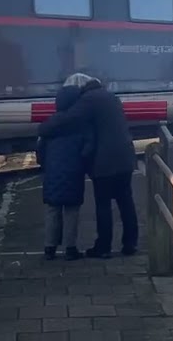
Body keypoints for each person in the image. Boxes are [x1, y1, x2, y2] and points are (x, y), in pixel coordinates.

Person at [37, 73, 139, 258]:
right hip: (125, 157)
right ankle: (130, 244)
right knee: (126, 202)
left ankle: (104, 247)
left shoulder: (88, 100)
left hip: (105, 162)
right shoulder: (111, 97)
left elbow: (67, 118)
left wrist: (43, 129)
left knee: (103, 204)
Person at [36, 83, 93, 261]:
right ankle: (70, 248)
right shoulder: (80, 125)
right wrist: (84, 164)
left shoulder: (49, 125)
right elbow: (87, 149)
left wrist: (46, 166)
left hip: (52, 174)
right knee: (71, 210)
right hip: (74, 173)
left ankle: (49, 248)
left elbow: (40, 152)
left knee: (52, 209)